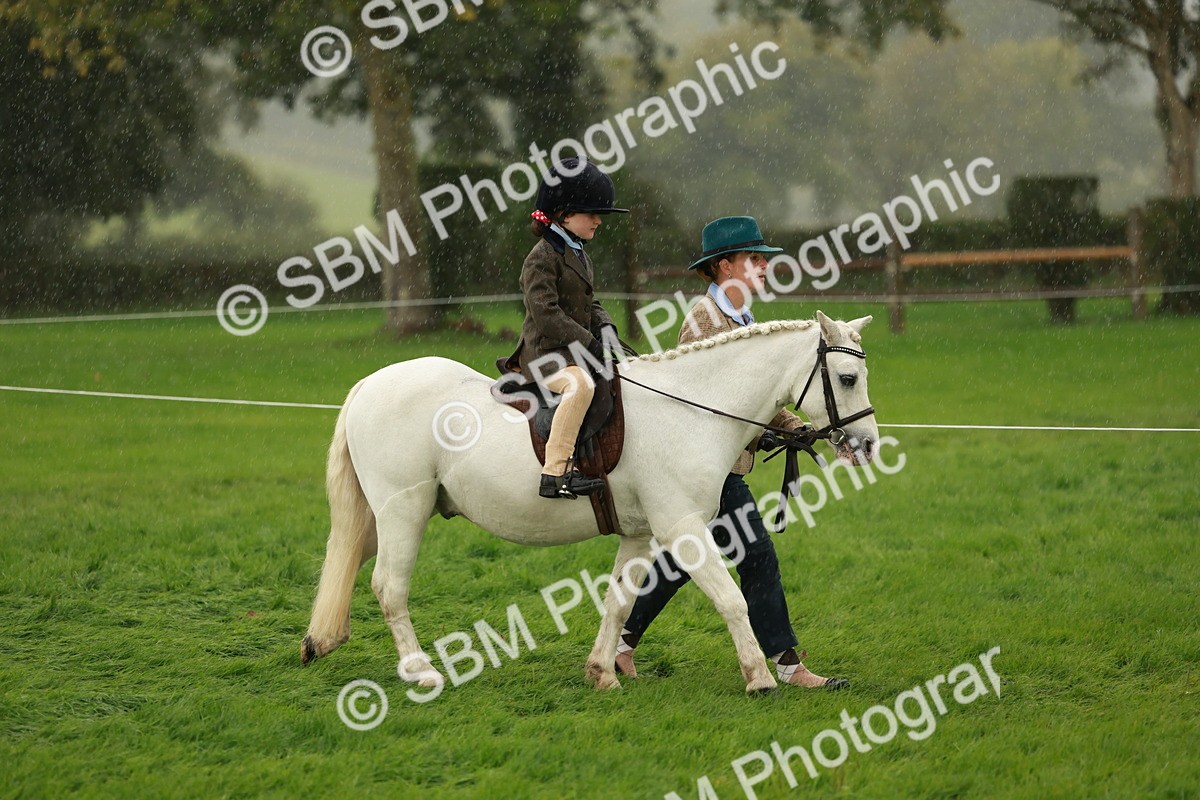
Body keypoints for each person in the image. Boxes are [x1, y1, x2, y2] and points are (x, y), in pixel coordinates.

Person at [614, 216, 848, 690]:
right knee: (757, 555)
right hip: (704, 470)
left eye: (764, 261)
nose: (764, 269)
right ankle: (786, 665)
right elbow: (703, 405)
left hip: (720, 467)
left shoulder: (742, 321)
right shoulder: (702, 322)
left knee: (681, 559)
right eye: (754, 260)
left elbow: (753, 396)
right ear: (724, 267)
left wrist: (792, 428)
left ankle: (619, 645)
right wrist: (765, 432)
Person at [508, 158, 627, 499]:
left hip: (573, 350)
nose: (598, 220)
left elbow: (591, 303)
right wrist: (588, 341)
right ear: (563, 215)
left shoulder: (578, 253)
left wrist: (606, 328)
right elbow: (545, 313)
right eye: (591, 213)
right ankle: (555, 472)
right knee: (579, 387)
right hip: (544, 355)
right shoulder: (540, 257)